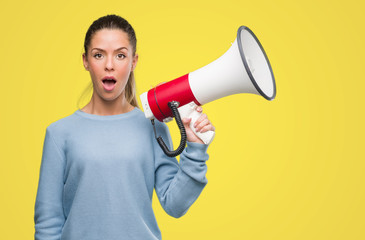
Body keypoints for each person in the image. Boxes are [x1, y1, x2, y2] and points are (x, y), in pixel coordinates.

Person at [34, 14, 215, 240]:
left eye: (120, 55)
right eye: (99, 55)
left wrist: (195, 150)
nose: (109, 65)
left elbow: (174, 205)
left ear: (133, 61)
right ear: (85, 61)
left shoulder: (154, 127)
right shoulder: (59, 134)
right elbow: (48, 222)